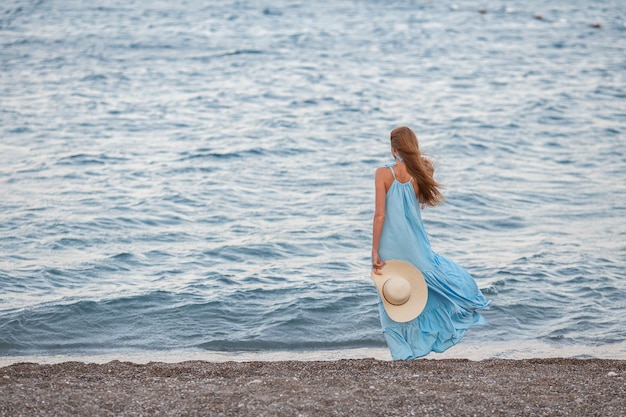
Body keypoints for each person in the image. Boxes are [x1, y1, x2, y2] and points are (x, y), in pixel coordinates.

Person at [371, 126, 490, 360]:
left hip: (390, 244)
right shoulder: (421, 174)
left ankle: (402, 350)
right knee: (423, 289)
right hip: (416, 244)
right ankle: (433, 332)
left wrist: (374, 249)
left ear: (393, 149)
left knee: (389, 293)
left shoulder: (382, 173)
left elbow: (380, 216)